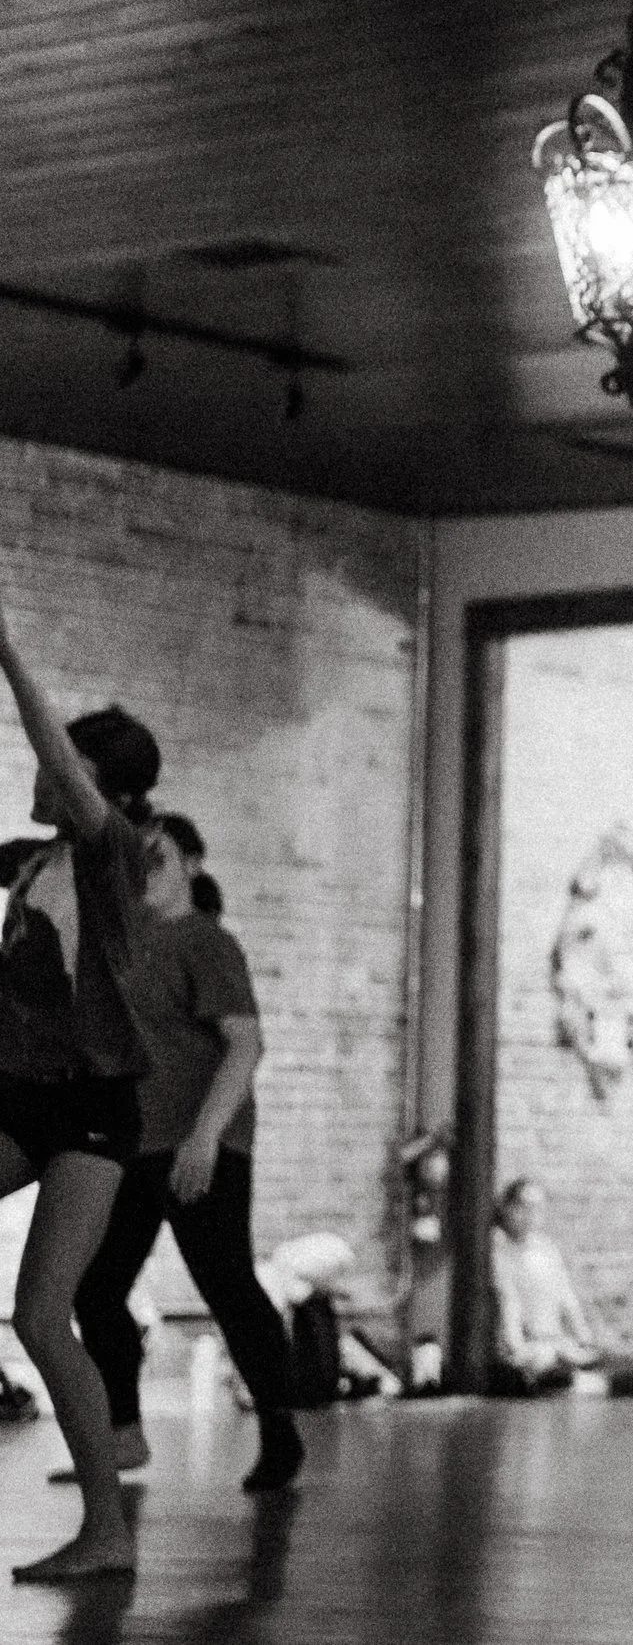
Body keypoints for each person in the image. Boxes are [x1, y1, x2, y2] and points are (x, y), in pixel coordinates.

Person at [66, 813, 303, 1493]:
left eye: (159, 856)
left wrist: (204, 1138)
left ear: (192, 864)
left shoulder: (206, 942)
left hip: (203, 1143)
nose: (145, 869)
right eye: (135, 859)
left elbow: (246, 1042)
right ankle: (124, 1435)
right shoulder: (125, 945)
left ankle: (281, 1433)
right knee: (97, 1286)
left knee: (226, 1285)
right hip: (137, 1143)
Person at [0, 601, 155, 1582]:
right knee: (37, 1314)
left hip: (94, 1106)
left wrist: (11, 652)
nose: (38, 777)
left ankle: (107, 1526)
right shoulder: (29, 864)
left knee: (40, 1315)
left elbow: (61, 759)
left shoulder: (111, 857)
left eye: (62, 767)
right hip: (21, 1093)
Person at [488, 1177, 633, 1395]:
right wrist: (518, 1348)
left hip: (561, 1346)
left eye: (536, 1208)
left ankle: (578, 1385)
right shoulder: (500, 1252)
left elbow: (567, 1299)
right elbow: (509, 1303)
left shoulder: (547, 1250)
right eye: (522, 1207)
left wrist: (584, 1339)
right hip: (533, 1349)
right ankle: (568, 1384)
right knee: (529, 1374)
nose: (529, 1215)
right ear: (507, 1208)